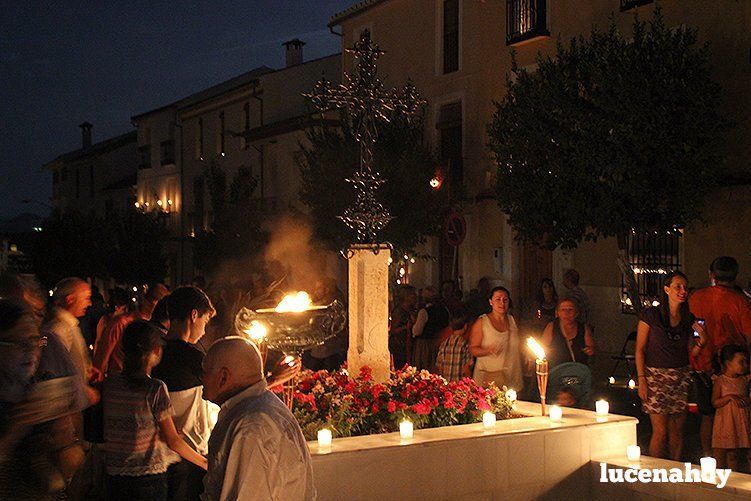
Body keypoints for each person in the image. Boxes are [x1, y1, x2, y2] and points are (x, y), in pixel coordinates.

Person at [103, 321, 207, 501]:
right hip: (148, 478)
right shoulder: (155, 388)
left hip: (115, 476)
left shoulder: (110, 384)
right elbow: (173, 442)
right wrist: (205, 463)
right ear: (157, 351)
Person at [201, 337, 315, 501]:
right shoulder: (256, 409)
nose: (200, 378)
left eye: (204, 371)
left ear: (223, 377)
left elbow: (247, 494)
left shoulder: (250, 426)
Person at [0, 299, 85, 500]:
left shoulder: (40, 386)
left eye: (35, 341)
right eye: (20, 343)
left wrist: (64, 433)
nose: (32, 351)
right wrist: (16, 428)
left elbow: (73, 465)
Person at [152, 286, 216, 501]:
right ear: (194, 315)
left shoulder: (155, 353)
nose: (205, 331)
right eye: (205, 322)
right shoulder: (190, 358)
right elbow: (226, 389)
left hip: (161, 458)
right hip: (189, 458)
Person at [635, 271, 706, 461]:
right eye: (678, 287)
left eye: (685, 287)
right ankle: (657, 472)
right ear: (666, 289)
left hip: (680, 375)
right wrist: (641, 379)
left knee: (677, 430)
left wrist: (702, 342)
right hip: (655, 376)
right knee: (660, 430)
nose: (683, 291)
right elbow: (640, 349)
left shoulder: (687, 318)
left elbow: (690, 353)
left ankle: (674, 468)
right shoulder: (651, 315)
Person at [689, 256, 751, 456]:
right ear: (735, 275)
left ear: (712, 275)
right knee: (735, 414)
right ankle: (734, 457)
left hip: (702, 363)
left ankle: (709, 457)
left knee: (707, 415)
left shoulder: (696, 297)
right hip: (733, 366)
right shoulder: (742, 302)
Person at [92, 282, 169, 381]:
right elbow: (101, 357)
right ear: (145, 300)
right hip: (120, 383)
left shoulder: (160, 328)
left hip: (145, 385)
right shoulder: (121, 323)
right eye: (155, 302)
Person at [469, 286, 523, 390]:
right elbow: (473, 349)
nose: (502, 303)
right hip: (490, 379)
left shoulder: (512, 320)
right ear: (491, 302)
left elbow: (517, 344)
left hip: (512, 375)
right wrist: (488, 350)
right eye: (498, 299)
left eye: (505, 300)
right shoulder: (482, 322)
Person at [711, 344, 750, 471]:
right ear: (729, 363)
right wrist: (729, 398)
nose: (745, 365)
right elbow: (715, 402)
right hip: (727, 421)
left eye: (746, 362)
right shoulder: (721, 381)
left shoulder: (745, 380)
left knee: (740, 452)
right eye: (741, 362)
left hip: (741, 420)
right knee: (730, 452)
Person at [305, 277, 347, 372]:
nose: (316, 291)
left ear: (327, 289)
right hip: (320, 349)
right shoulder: (321, 302)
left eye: (319, 288)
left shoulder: (333, 303)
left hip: (331, 350)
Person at [541, 298, 595, 369]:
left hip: (578, 370)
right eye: (563, 310)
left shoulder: (583, 328)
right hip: (556, 370)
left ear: (576, 313)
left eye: (570, 309)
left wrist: (590, 350)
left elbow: (592, 348)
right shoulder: (551, 327)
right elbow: (542, 348)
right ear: (557, 313)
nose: (567, 313)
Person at [411, 286, 450, 371]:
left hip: (425, 345)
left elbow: (417, 331)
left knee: (424, 369)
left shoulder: (424, 312)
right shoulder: (444, 310)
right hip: (440, 343)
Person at [435, 313, 473, 381]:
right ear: (465, 326)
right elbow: (466, 368)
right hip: (459, 385)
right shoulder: (465, 344)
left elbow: (439, 365)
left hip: (446, 385)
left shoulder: (444, 343)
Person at [389, 285, 417, 370]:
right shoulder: (398, 311)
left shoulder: (412, 310)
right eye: (412, 294)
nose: (415, 296)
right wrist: (406, 327)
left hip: (411, 343)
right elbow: (393, 330)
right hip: (400, 344)